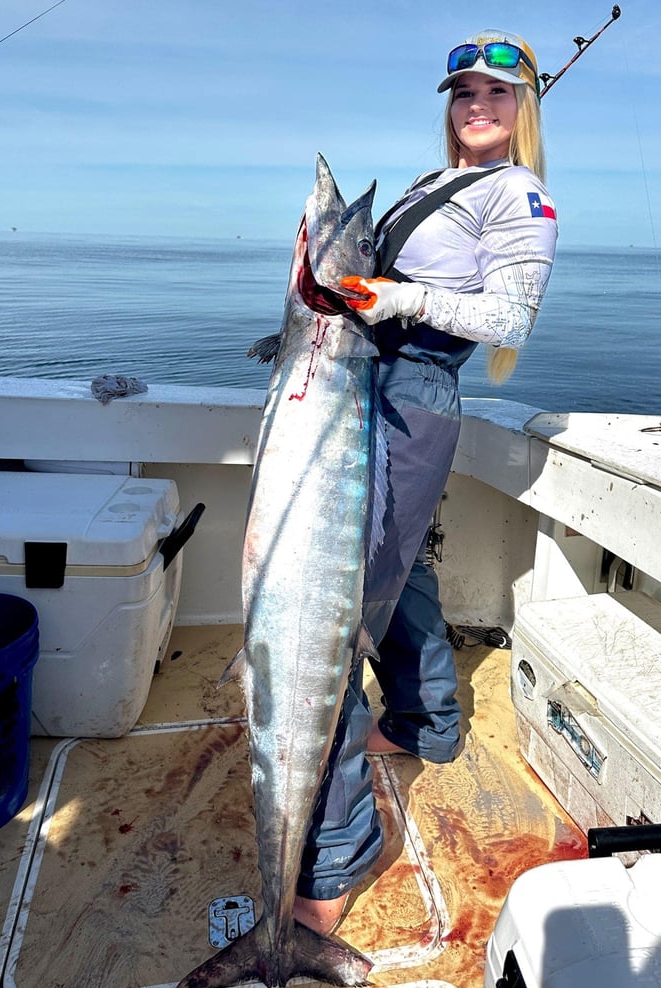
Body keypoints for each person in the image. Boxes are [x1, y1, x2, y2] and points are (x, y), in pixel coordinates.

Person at [293, 28, 558, 934]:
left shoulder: (520, 194)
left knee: (327, 614)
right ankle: (424, 724)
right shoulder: (431, 183)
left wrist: (396, 298)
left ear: (524, 107)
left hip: (413, 388)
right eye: (459, 93)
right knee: (394, 570)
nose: (474, 104)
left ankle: (337, 848)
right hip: (366, 379)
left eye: (494, 91)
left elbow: (508, 312)